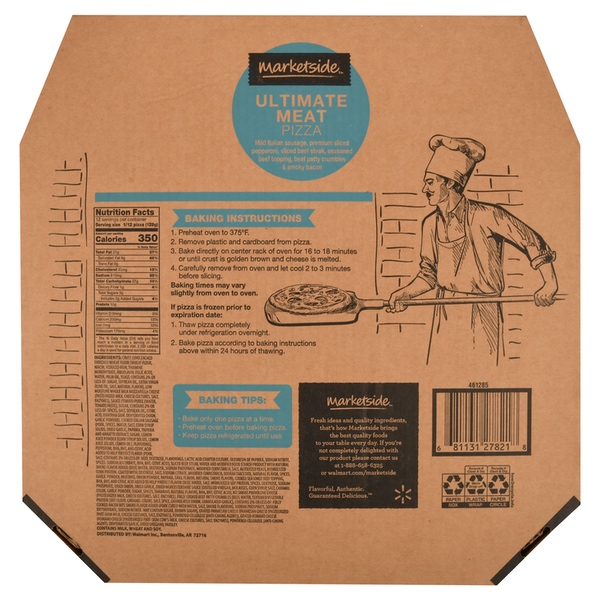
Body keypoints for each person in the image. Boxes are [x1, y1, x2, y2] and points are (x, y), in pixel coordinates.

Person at [388, 134, 558, 364]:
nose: (424, 189)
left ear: (449, 182)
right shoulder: (430, 224)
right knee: (440, 370)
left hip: (482, 311)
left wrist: (549, 283)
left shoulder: (488, 215)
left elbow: (531, 241)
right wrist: (404, 294)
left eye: (430, 182)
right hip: (444, 308)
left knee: (480, 369)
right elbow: (429, 275)